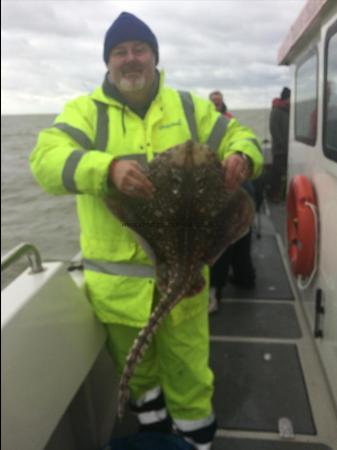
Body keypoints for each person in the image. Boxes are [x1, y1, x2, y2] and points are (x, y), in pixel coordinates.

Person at [30, 12, 263, 450]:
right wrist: (107, 168)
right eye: (120, 52)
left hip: (189, 279)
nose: (130, 59)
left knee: (191, 377)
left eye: (140, 50)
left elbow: (241, 135)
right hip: (120, 291)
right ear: (108, 62)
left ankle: (196, 442)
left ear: (155, 57)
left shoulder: (191, 107)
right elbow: (44, 161)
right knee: (140, 378)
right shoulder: (85, 112)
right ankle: (155, 435)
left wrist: (243, 158)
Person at [208, 92, 256, 313]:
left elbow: (244, 138)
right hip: (217, 189)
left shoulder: (227, 121)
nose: (216, 105)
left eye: (218, 102)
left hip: (233, 187)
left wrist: (240, 155)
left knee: (227, 241)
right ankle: (241, 277)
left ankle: (221, 286)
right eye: (213, 102)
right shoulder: (205, 121)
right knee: (233, 239)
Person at [268, 86, 291, 202]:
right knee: (276, 173)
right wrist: (282, 144)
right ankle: (273, 194)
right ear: (287, 98)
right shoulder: (276, 110)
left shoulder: (288, 110)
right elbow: (274, 129)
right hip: (280, 149)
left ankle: (283, 194)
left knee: (286, 173)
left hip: (289, 149)